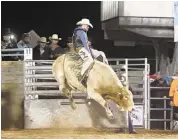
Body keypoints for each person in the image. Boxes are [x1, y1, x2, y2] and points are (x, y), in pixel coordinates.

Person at [72, 18, 94, 83]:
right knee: (89, 60)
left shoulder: (77, 31)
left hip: (77, 48)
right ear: (84, 25)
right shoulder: (82, 32)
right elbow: (85, 44)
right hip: (81, 48)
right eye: (87, 26)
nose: (88, 27)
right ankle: (81, 76)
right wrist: (89, 53)